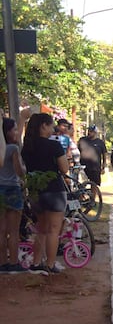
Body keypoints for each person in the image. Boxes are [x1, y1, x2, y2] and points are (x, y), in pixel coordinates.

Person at [21, 113, 69, 275]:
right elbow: (64, 169)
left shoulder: (27, 147)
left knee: (41, 228)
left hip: (35, 190)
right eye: (50, 125)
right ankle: (50, 264)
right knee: (53, 230)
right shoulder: (54, 146)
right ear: (43, 125)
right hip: (54, 190)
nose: (52, 129)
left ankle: (36, 263)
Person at [1, 118, 28, 273]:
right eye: (15, 130)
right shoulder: (12, 149)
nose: (16, 133)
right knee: (13, 230)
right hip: (12, 188)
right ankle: (13, 262)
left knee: (1, 230)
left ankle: (2, 262)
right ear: (8, 131)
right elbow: (19, 171)